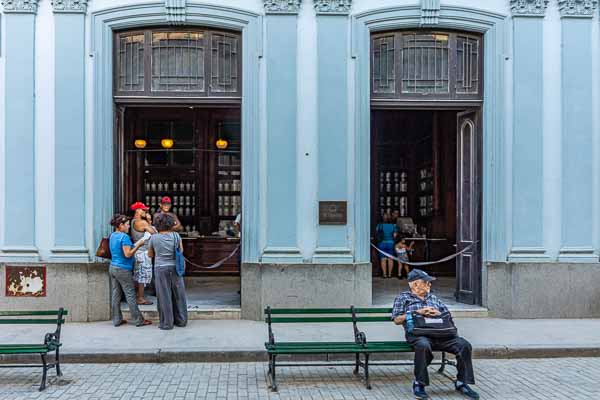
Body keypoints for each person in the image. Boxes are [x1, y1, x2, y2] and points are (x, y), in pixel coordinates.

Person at [392, 269, 479, 400]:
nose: (429, 285)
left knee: (464, 345)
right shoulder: (403, 298)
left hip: (441, 334)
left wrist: (437, 313)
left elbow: (447, 315)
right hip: (418, 334)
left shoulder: (433, 297)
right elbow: (397, 319)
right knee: (423, 346)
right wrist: (419, 312)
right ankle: (419, 383)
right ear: (415, 284)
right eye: (426, 282)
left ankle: (462, 382)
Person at [108, 214, 152, 327]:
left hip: (113, 267)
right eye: (127, 225)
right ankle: (138, 320)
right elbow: (128, 254)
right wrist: (140, 245)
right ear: (121, 225)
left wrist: (139, 242)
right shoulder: (124, 237)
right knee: (130, 294)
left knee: (115, 294)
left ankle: (117, 320)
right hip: (123, 269)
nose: (129, 227)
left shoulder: (113, 235)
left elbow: (127, 248)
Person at [147, 213, 188, 330]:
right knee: (178, 294)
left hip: (160, 268)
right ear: (170, 224)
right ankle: (181, 320)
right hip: (175, 267)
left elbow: (150, 254)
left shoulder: (154, 238)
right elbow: (181, 250)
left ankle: (167, 323)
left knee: (163, 295)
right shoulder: (176, 236)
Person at [130, 201, 157, 305]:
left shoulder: (133, 221)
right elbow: (154, 233)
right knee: (142, 276)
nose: (146, 211)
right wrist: (149, 220)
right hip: (143, 252)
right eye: (143, 209)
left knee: (138, 275)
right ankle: (140, 298)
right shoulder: (142, 222)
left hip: (137, 252)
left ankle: (138, 296)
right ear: (137, 210)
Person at [375, 213, 398, 278]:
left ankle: (384, 274)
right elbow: (395, 235)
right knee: (390, 259)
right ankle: (390, 274)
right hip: (390, 243)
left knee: (383, 259)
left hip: (382, 243)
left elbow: (377, 233)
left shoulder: (379, 225)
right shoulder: (393, 226)